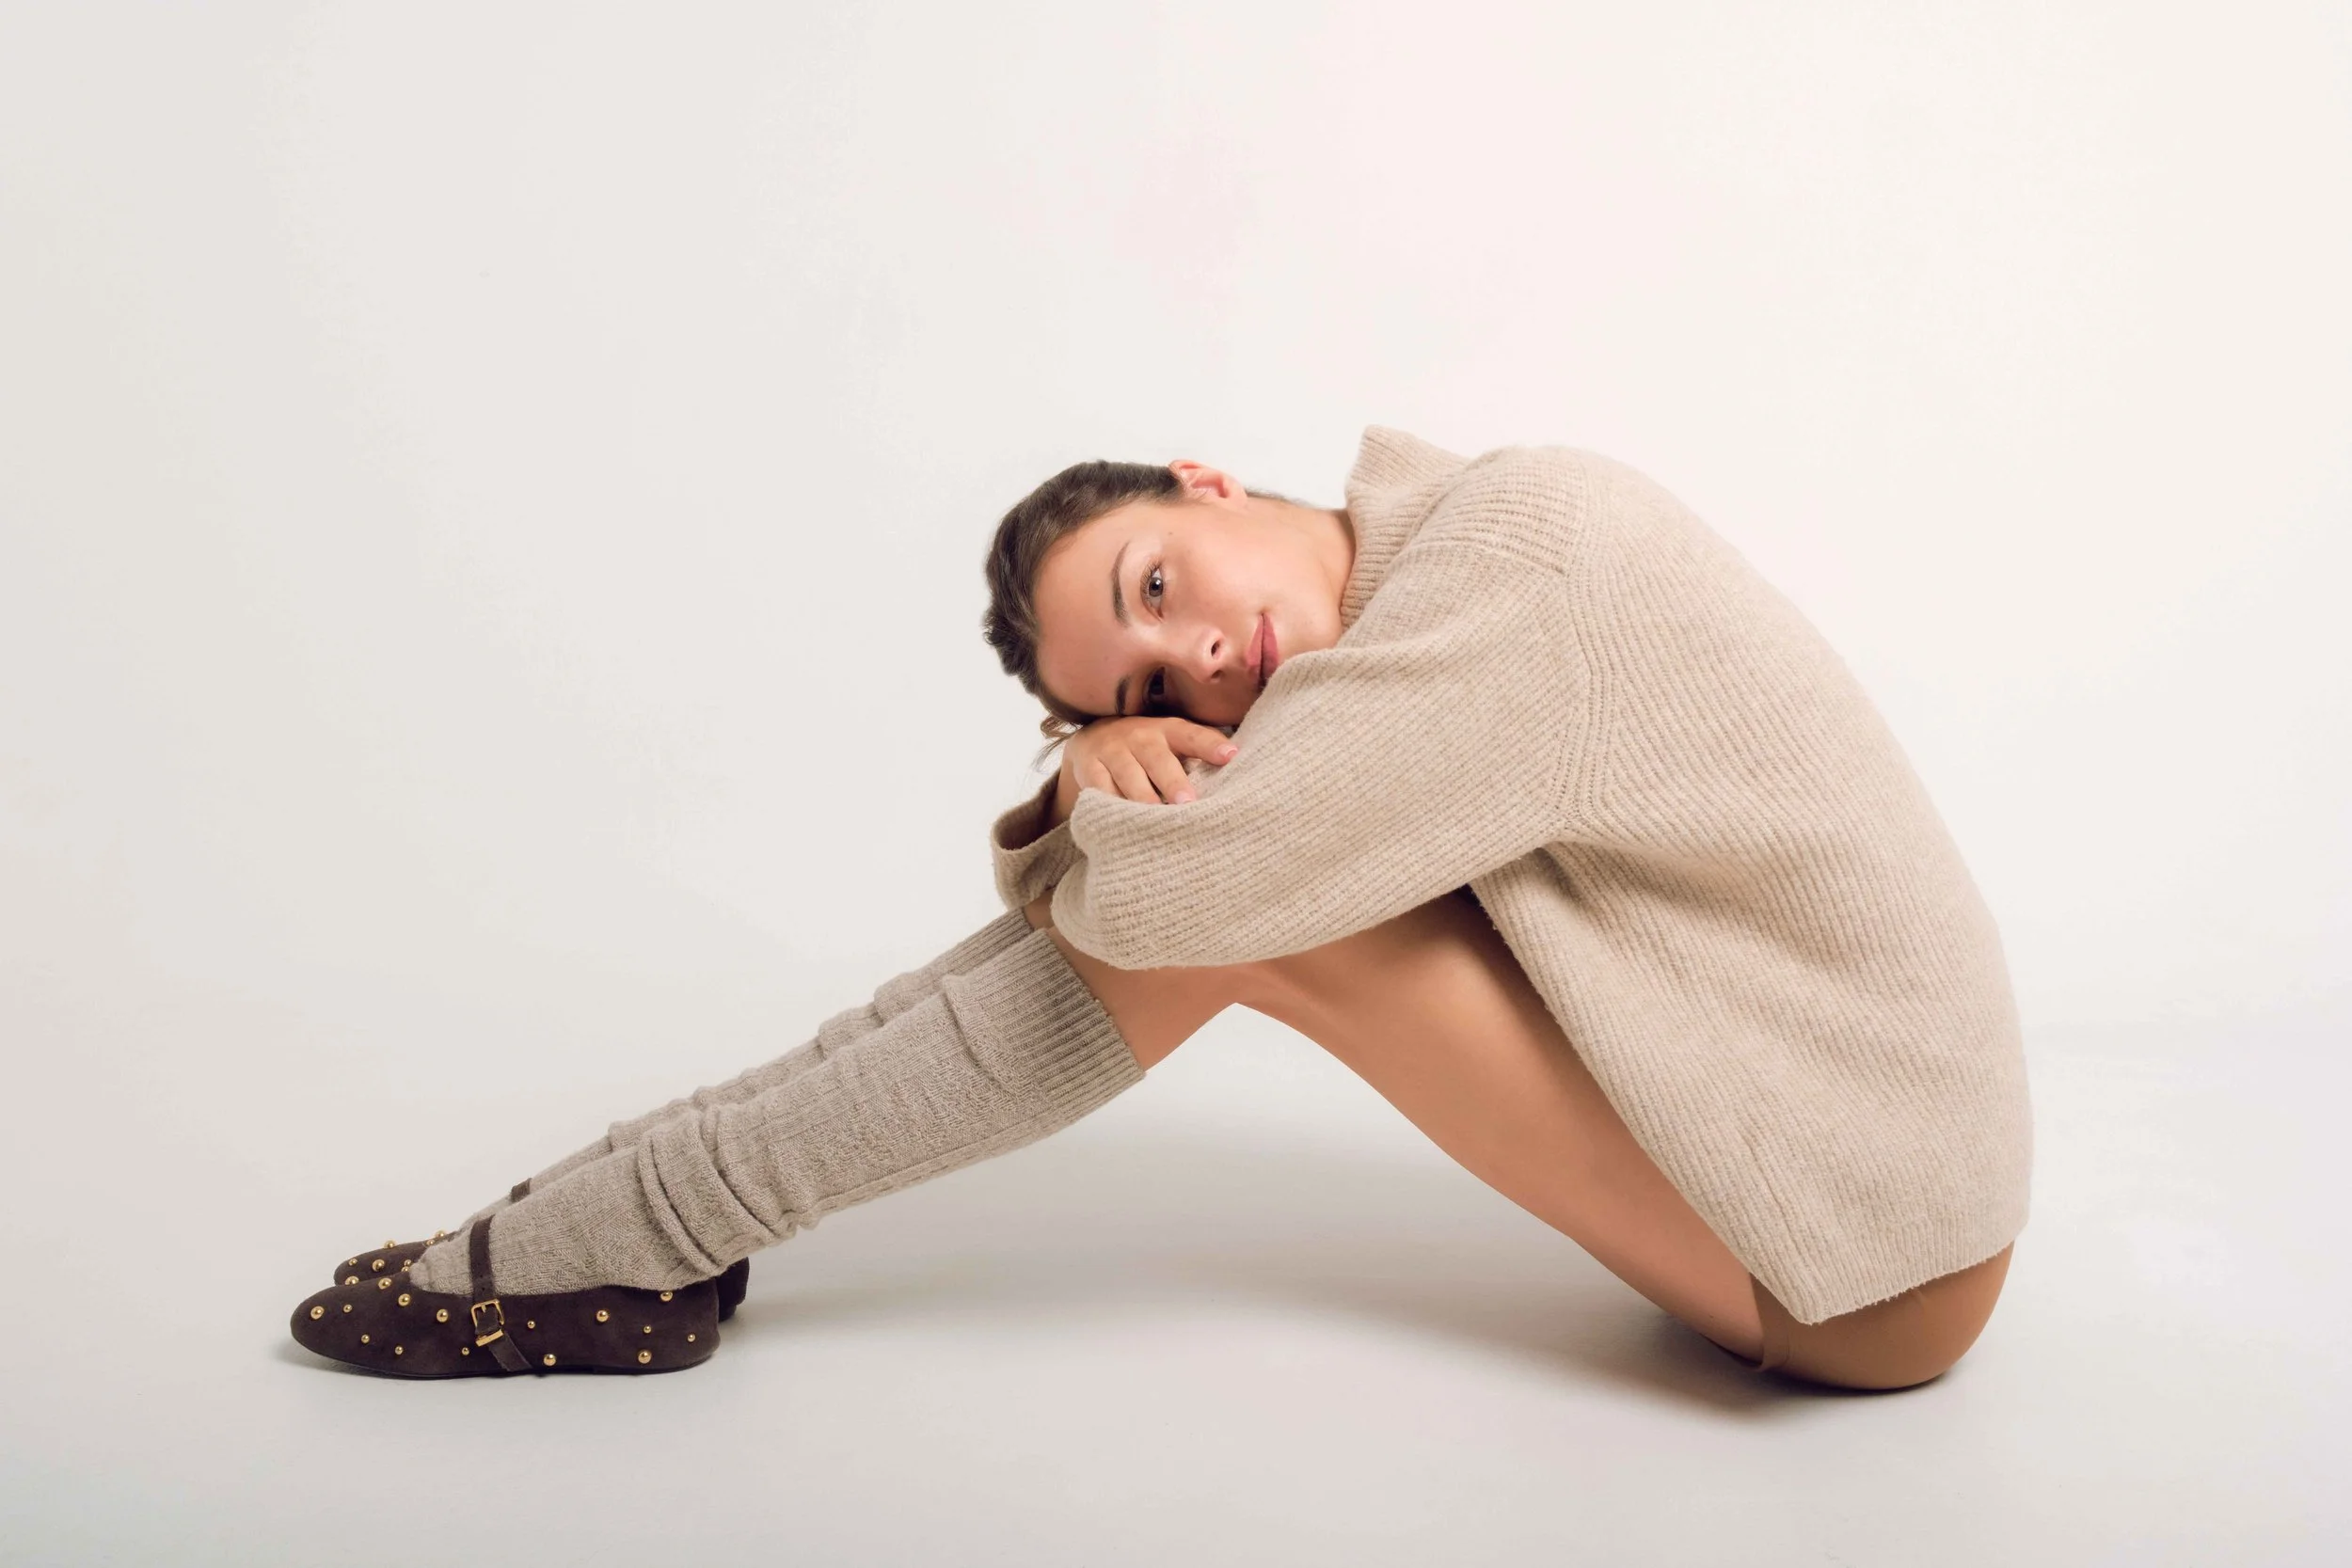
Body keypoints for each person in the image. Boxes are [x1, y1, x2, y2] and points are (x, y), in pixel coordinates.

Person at [290, 426, 2029, 1390]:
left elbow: (1151, 908)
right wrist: (1096, 781)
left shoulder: (1514, 564)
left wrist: (1077, 795)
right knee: (1228, 890)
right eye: (1148, 682)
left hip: (1870, 1261)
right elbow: (1130, 896)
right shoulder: (1416, 634)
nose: (1200, 661)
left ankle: (612, 1237)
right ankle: (640, 1214)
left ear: (1206, 480)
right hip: (1804, 1188)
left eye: (1157, 587)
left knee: (1241, 912)